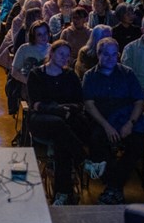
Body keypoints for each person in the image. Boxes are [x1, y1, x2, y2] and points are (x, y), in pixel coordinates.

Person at [26, 40, 96, 205]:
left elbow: (79, 102)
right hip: (41, 120)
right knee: (58, 124)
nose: (65, 58)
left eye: (67, 55)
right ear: (52, 53)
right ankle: (83, 159)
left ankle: (62, 194)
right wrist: (58, 110)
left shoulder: (70, 75)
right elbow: (35, 104)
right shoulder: (36, 74)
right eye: (61, 54)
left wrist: (65, 109)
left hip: (65, 121)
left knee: (61, 141)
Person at [82, 38, 144, 205]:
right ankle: (114, 187)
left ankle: (113, 187)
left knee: (137, 145)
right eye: (106, 54)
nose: (110, 58)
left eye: (113, 55)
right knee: (97, 142)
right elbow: (89, 105)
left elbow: (139, 102)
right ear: (98, 55)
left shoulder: (127, 73)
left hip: (126, 119)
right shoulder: (90, 76)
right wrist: (107, 126)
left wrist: (130, 123)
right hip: (101, 119)